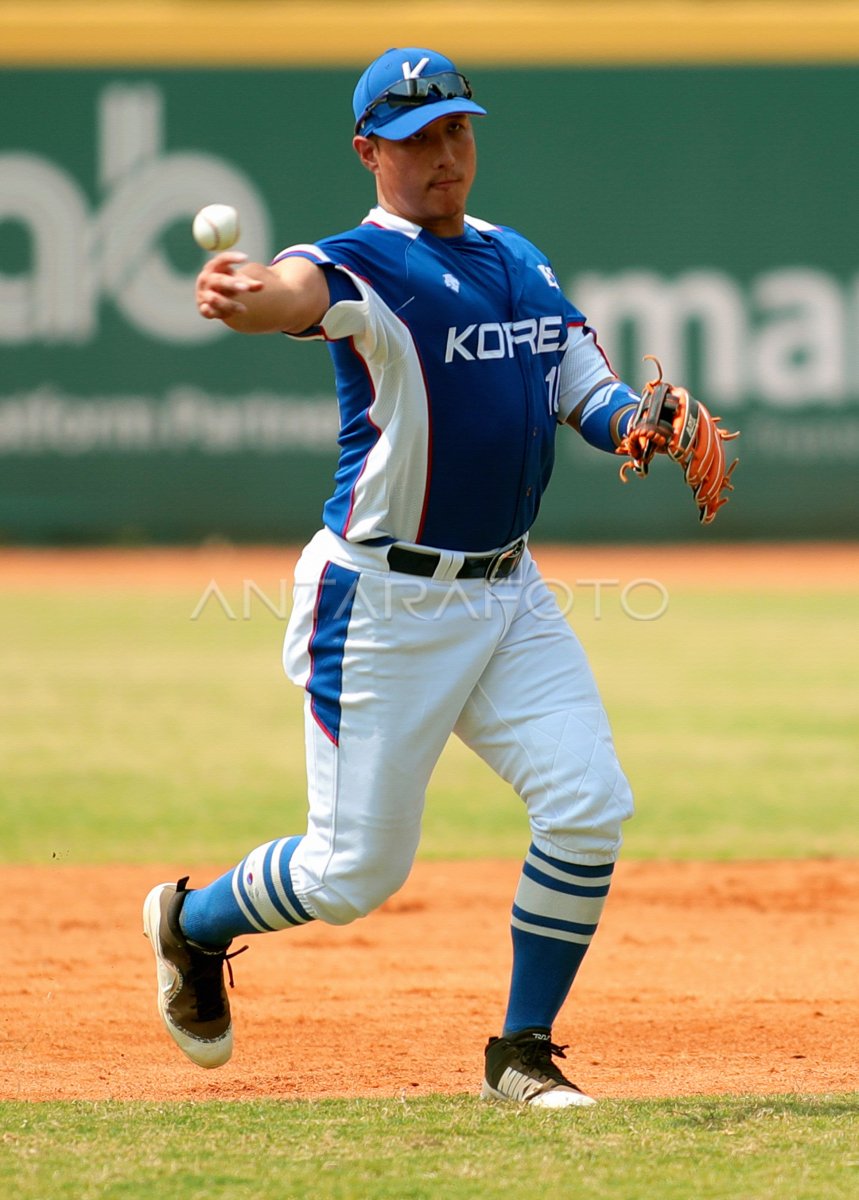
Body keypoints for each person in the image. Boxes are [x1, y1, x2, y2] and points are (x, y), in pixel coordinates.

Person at [144, 46, 643, 1109]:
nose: (443, 154)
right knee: (351, 875)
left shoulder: (519, 258)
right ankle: (189, 924)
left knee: (587, 804)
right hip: (380, 602)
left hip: (508, 595)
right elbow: (292, 292)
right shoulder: (361, 264)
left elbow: (580, 385)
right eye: (416, 138)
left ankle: (520, 1053)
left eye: (456, 129)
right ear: (368, 151)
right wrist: (247, 295)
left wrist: (640, 423)